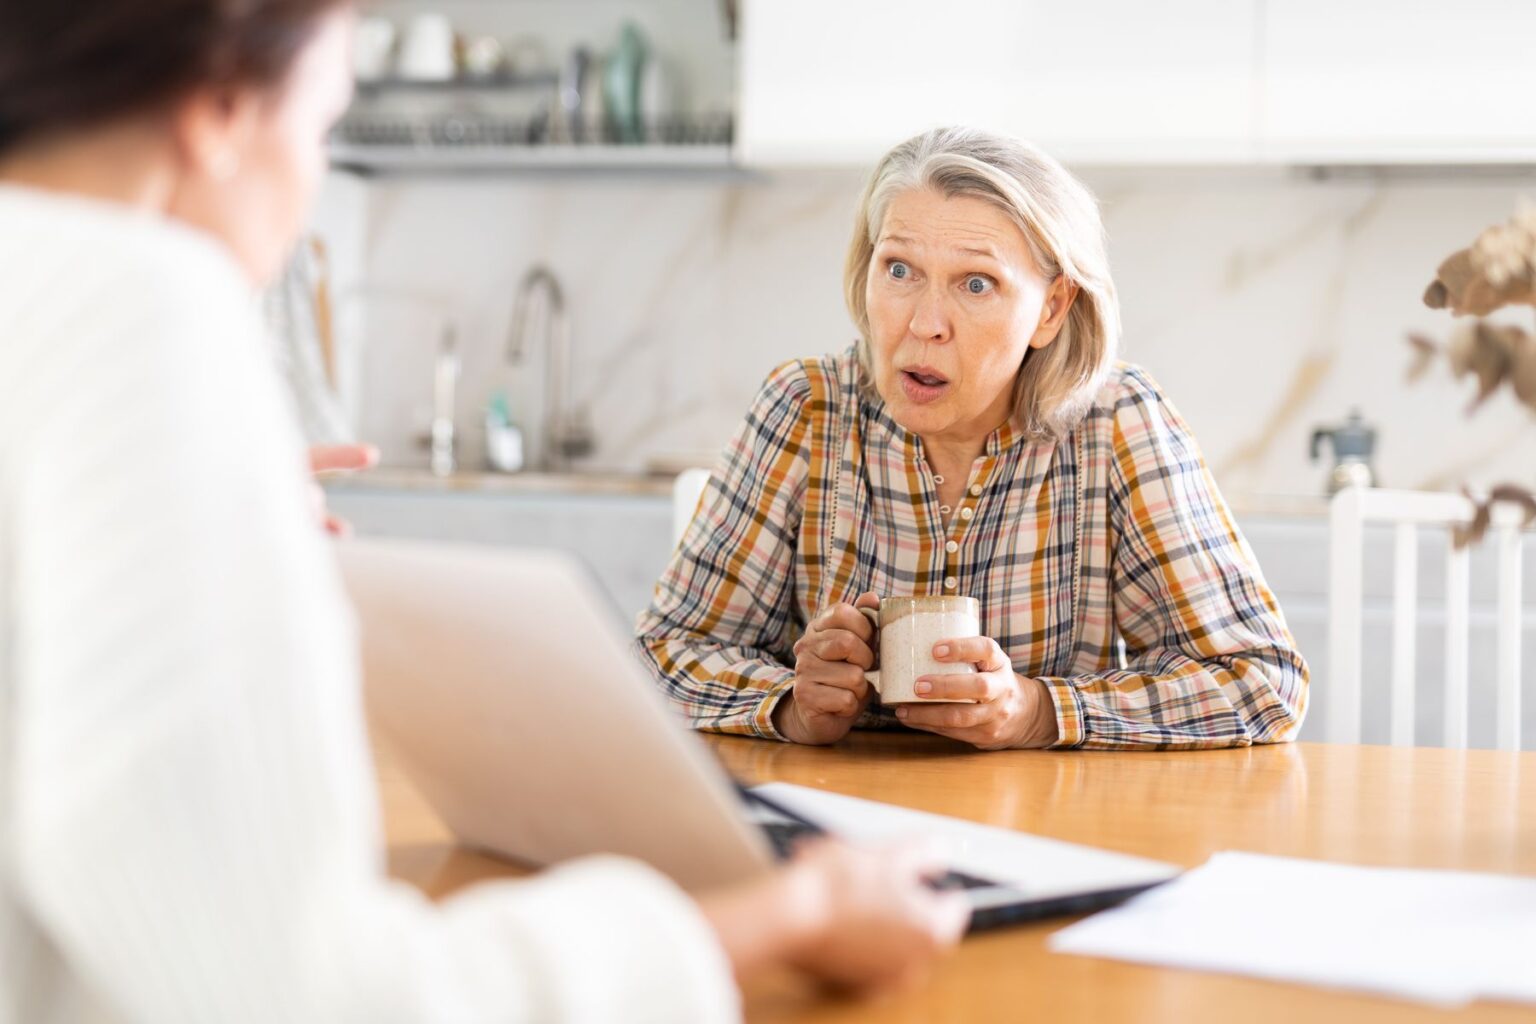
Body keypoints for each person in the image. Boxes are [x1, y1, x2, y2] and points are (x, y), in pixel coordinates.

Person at [0, 3, 966, 1021]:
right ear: (223, 109)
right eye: (323, 128)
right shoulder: (149, 301)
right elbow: (309, 997)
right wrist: (792, 914)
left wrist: (185, 503)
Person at [637, 127, 1309, 751]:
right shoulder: (806, 409)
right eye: (899, 270)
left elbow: (1264, 681)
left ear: (1050, 309)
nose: (925, 324)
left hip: (1049, 830)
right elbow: (660, 654)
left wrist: (1035, 712)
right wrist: (791, 704)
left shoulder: (1114, 423)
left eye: (977, 284)